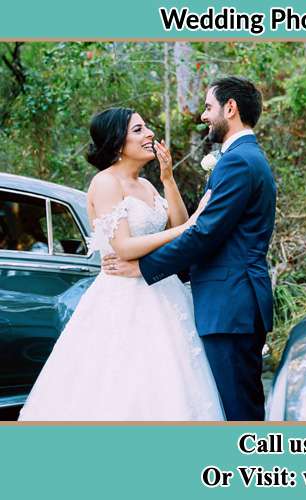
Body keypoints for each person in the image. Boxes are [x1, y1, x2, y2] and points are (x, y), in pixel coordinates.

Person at [18, 107, 223, 421]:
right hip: (124, 296)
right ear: (117, 143)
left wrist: (168, 180)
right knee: (120, 382)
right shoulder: (105, 183)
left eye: (146, 127)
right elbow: (124, 247)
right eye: (138, 130)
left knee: (171, 380)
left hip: (163, 293)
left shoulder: (147, 185)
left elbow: (180, 226)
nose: (150, 134)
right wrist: (185, 228)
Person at [103, 77, 276, 421]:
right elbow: (201, 230)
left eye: (209, 107)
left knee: (238, 412)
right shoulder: (242, 157)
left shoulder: (238, 162)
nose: (203, 116)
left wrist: (143, 268)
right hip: (229, 303)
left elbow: (204, 233)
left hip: (230, 305)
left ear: (231, 109)